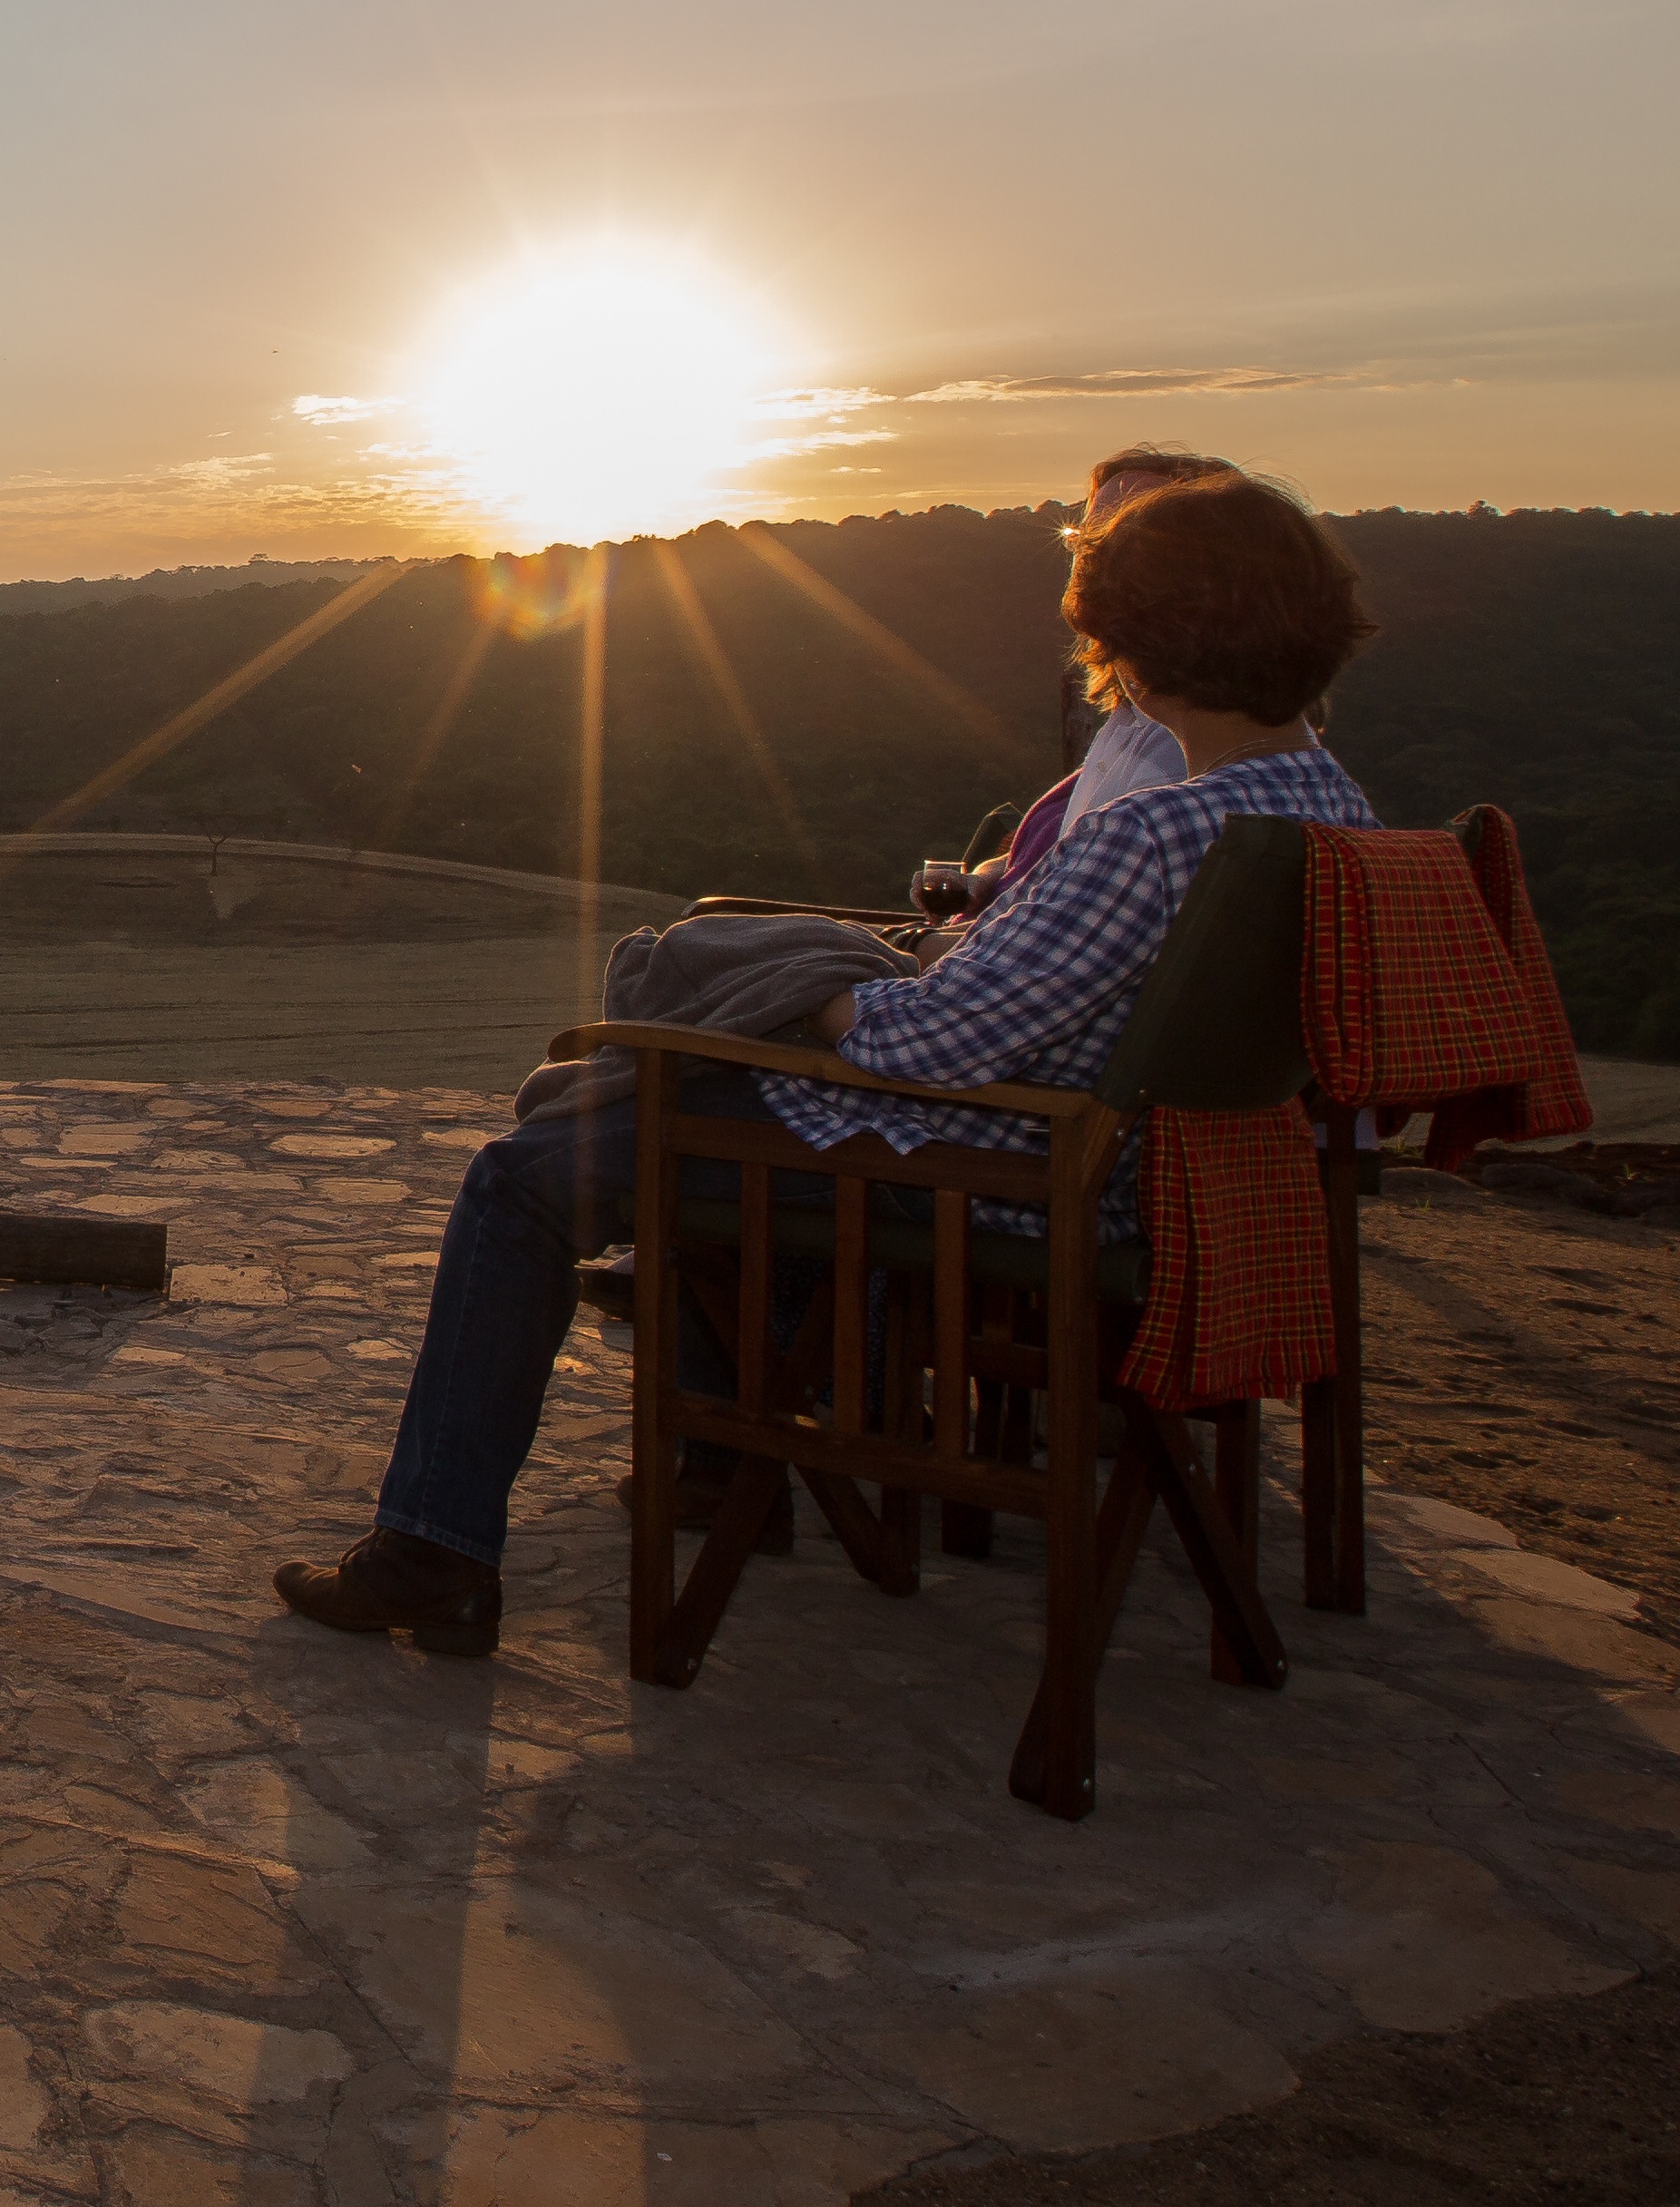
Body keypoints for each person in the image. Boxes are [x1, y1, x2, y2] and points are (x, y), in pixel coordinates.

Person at [275, 465, 1384, 1656]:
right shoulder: (1331, 807)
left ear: (1142, 638)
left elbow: (932, 1043)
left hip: (1008, 1171)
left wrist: (821, 1002)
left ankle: (442, 1546)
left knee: (532, 1172)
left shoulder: (1163, 832)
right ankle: (717, 1453)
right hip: (1149, 1171)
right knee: (644, 1098)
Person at [957, 444, 1237, 907]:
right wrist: (991, 874)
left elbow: (1049, 953)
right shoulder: (1131, 725)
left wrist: (905, 943)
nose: (1094, 556)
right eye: (1086, 536)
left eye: (1127, 535)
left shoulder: (1183, 759)